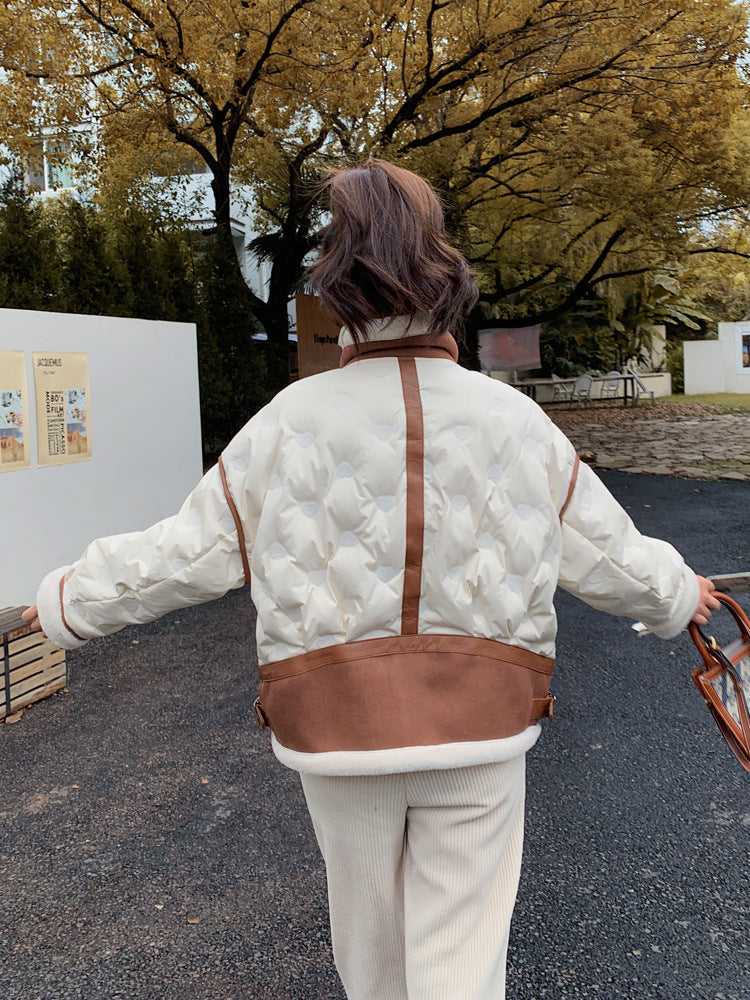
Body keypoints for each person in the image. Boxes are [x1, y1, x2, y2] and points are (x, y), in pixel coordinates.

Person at [23, 159, 720, 1000]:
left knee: (370, 953)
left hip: (336, 726)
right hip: (482, 721)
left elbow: (184, 554)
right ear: (446, 279)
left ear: (335, 286)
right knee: (461, 957)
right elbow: (607, 554)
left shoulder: (287, 423)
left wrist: (66, 604)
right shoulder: (513, 421)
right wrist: (682, 593)